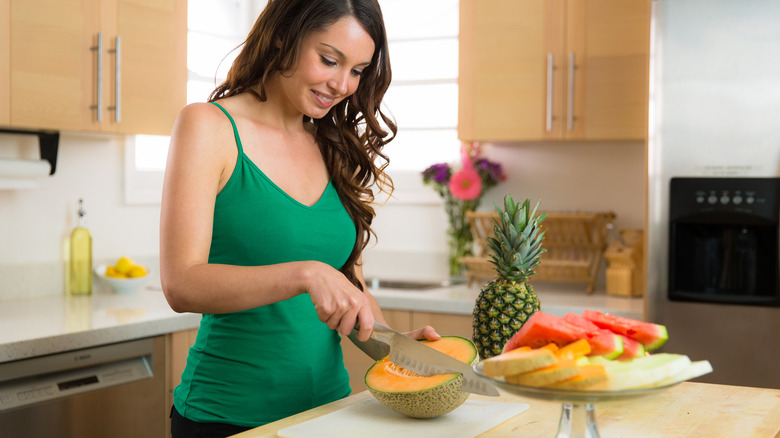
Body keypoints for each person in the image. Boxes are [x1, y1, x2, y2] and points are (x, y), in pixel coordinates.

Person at [159, 0, 439, 435]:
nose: (343, 84)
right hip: (226, 418)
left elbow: (351, 293)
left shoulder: (334, 146)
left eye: (358, 70)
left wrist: (398, 351)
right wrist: (305, 274)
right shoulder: (208, 127)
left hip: (325, 417)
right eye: (329, 59)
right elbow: (181, 283)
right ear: (282, 37)